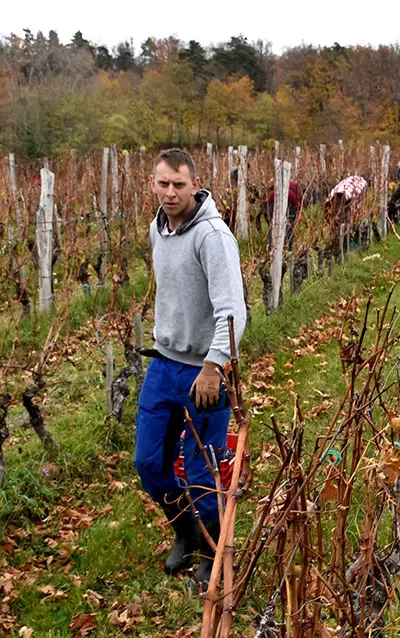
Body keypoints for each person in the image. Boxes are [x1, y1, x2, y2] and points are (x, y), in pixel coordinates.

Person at [136, 148, 246, 590]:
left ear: (194, 184)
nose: (169, 192)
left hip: (204, 372)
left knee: (201, 470)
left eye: (178, 184)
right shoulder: (157, 229)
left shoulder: (213, 237)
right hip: (164, 365)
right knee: (150, 463)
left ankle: (211, 547)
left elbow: (234, 310)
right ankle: (185, 528)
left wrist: (214, 366)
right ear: (153, 183)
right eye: (162, 183)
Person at [266, 178, 301, 250]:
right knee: (289, 224)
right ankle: (288, 248)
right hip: (291, 200)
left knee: (273, 224)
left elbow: (269, 201)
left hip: (274, 199)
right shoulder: (295, 186)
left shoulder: (277, 184)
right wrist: (299, 211)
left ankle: (272, 246)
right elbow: (300, 198)